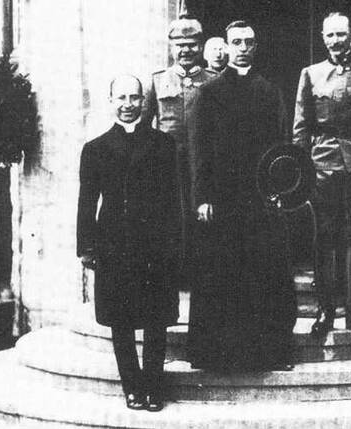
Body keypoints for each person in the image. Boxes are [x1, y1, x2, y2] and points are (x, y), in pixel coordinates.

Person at [187, 20, 296, 372]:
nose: (243, 48)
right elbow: (199, 150)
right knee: (222, 276)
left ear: (256, 46)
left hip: (261, 199)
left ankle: (268, 355)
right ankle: (217, 356)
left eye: (249, 41)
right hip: (222, 200)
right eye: (237, 42)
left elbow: (283, 145)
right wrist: (201, 197)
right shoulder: (210, 92)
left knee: (264, 275)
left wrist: (281, 191)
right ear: (227, 47)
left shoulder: (270, 91)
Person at [77, 74, 180, 412]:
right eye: (120, 98)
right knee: (121, 320)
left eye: (134, 98)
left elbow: (172, 200)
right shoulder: (95, 149)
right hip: (114, 246)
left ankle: (153, 387)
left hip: (155, 245)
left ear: (143, 102)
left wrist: (174, 244)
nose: (127, 105)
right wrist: (86, 247)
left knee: (155, 319)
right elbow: (87, 201)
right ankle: (131, 387)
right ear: (111, 101)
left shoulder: (163, 145)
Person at [292, 12, 351, 337]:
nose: (336, 41)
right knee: (324, 237)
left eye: (341, 35)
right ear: (323, 38)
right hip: (321, 167)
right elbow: (301, 128)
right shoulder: (311, 74)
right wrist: (301, 171)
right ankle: (325, 310)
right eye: (330, 35)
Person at [146, 15, 218, 276]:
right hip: (167, 168)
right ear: (171, 47)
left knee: (204, 228)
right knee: (171, 226)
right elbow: (144, 130)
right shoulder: (157, 81)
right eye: (180, 45)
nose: (186, 50)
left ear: (201, 46)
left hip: (204, 169)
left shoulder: (214, 81)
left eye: (192, 44)